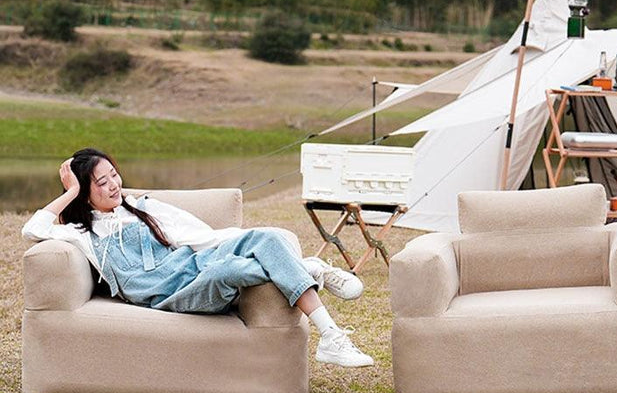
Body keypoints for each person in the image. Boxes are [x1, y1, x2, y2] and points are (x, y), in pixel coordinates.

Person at [21, 148, 374, 368]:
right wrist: (71, 191)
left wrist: (248, 242)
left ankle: (330, 335)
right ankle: (310, 269)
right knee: (231, 268)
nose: (113, 184)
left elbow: (201, 238)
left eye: (114, 174)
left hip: (195, 266)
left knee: (264, 237)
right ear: (85, 193)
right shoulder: (82, 233)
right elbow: (33, 229)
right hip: (172, 295)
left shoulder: (144, 208)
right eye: (101, 182)